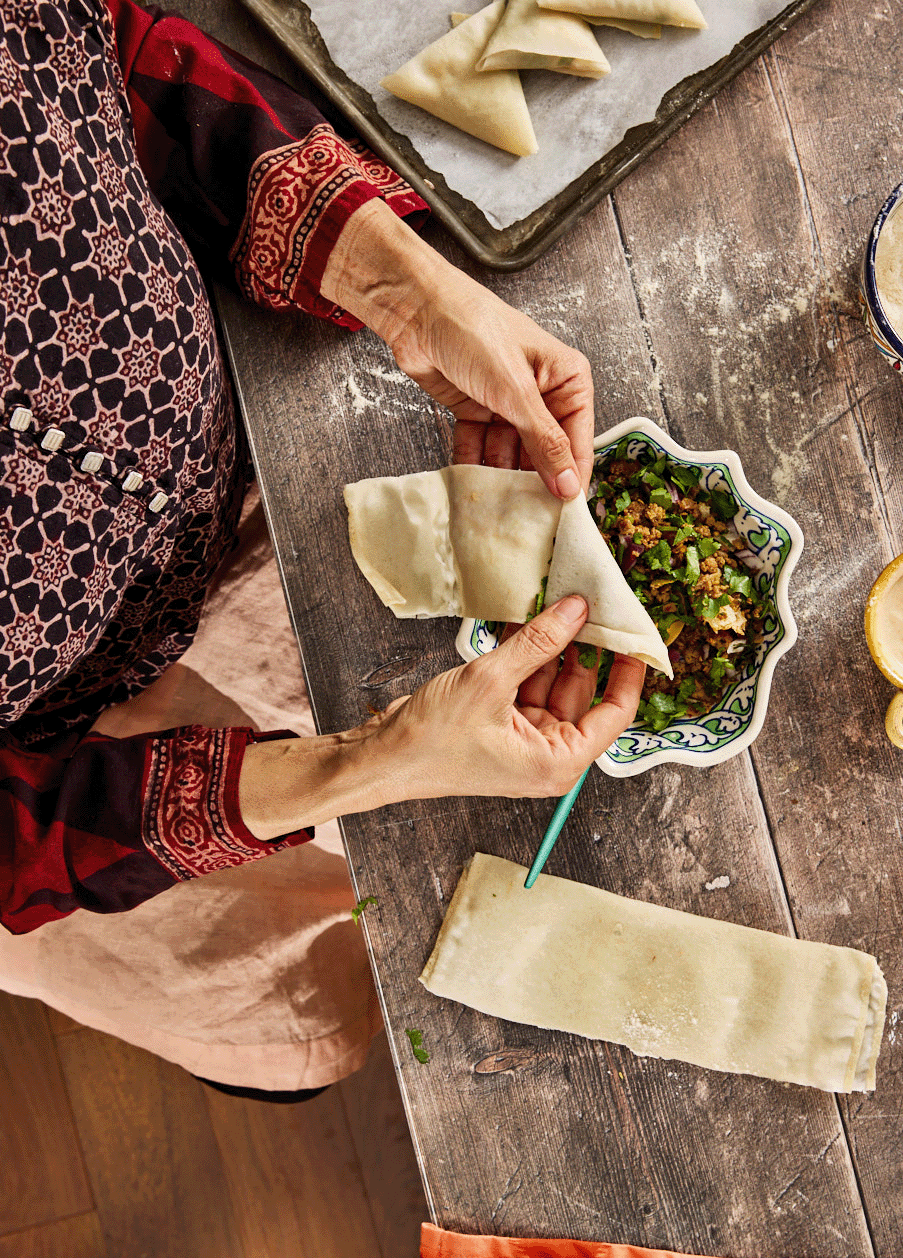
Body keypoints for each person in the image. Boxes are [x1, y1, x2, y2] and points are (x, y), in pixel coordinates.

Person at [0, 0, 644, 1092]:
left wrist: (400, 280)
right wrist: (364, 766)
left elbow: (97, 51)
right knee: (315, 1029)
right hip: (69, 771)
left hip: (250, 423)